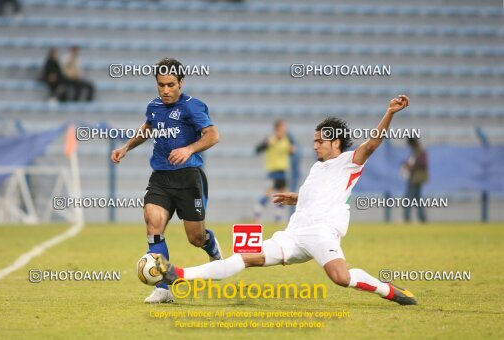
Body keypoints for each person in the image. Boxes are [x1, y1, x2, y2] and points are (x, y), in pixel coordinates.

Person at [155, 95, 418, 306]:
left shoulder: (349, 162)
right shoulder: (318, 168)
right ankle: (180, 275)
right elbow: (319, 194)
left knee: (341, 277)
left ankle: (388, 290)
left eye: (320, 141)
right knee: (245, 256)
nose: (315, 146)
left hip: (322, 233)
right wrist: (296, 197)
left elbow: (373, 143)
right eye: (314, 140)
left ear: (335, 142)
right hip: (293, 234)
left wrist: (390, 113)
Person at [111, 57, 223, 303]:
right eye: (161, 85)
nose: (165, 90)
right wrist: (127, 146)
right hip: (160, 178)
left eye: (171, 84)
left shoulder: (193, 107)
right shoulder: (154, 106)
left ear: (181, 82)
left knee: (195, 238)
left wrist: (189, 149)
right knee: (153, 225)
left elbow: (213, 135)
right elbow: (148, 127)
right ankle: (164, 286)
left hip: (189, 178)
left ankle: (212, 247)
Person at [253, 119, 295, 223]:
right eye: (283, 127)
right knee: (268, 193)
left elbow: (291, 150)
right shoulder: (271, 138)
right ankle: (257, 214)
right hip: (272, 170)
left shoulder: (287, 139)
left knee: (282, 195)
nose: (285, 129)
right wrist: (267, 143)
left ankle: (278, 219)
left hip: (283, 170)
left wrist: (292, 150)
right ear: (277, 128)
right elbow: (257, 149)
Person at [402, 137, 429, 223]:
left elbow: (423, 164)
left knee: (408, 199)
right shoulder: (416, 151)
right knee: (417, 200)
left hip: (416, 178)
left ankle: (406, 218)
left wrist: (410, 167)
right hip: (414, 177)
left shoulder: (420, 151)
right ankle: (423, 219)